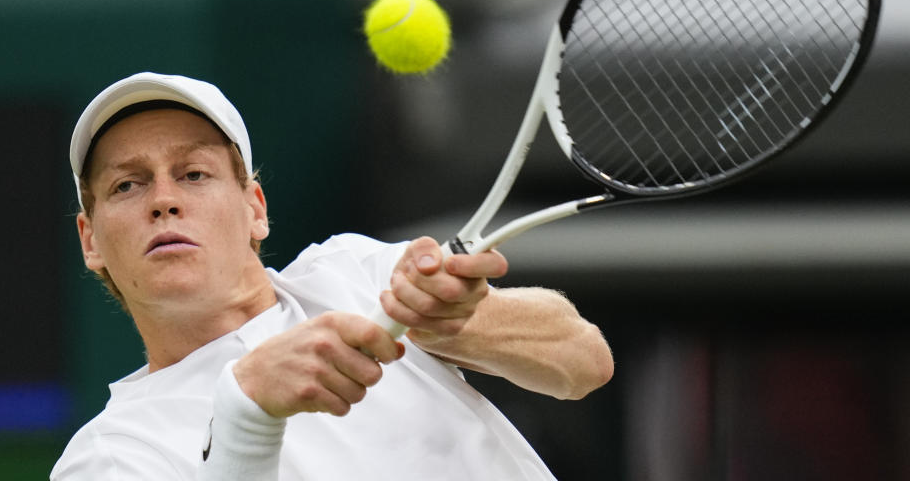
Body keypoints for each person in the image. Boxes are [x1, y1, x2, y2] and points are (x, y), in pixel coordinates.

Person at [51, 72, 614, 480]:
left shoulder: (356, 272)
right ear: (91, 240)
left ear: (255, 209)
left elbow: (583, 363)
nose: (164, 200)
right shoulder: (110, 456)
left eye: (194, 173)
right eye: (128, 185)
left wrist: (455, 326)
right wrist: (246, 415)